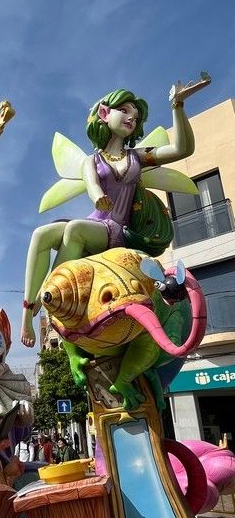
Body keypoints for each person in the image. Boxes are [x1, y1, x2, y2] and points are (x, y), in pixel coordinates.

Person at [21, 79, 209, 347]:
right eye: (125, 111)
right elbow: (92, 185)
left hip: (117, 229)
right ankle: (27, 315)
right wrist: (98, 196)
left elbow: (182, 149)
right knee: (42, 233)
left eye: (136, 116)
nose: (132, 118)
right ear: (104, 114)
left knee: (74, 229)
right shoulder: (92, 160)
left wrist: (177, 105)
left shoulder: (138, 157)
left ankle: (50, 291)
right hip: (96, 222)